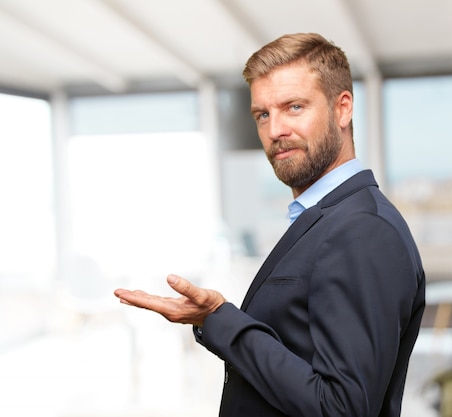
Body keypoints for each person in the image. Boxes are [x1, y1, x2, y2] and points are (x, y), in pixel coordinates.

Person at [114, 32, 426, 417]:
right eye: (262, 114)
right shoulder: (329, 219)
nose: (274, 130)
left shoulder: (362, 230)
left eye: (293, 107)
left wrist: (223, 321)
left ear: (342, 108)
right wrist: (213, 318)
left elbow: (341, 409)